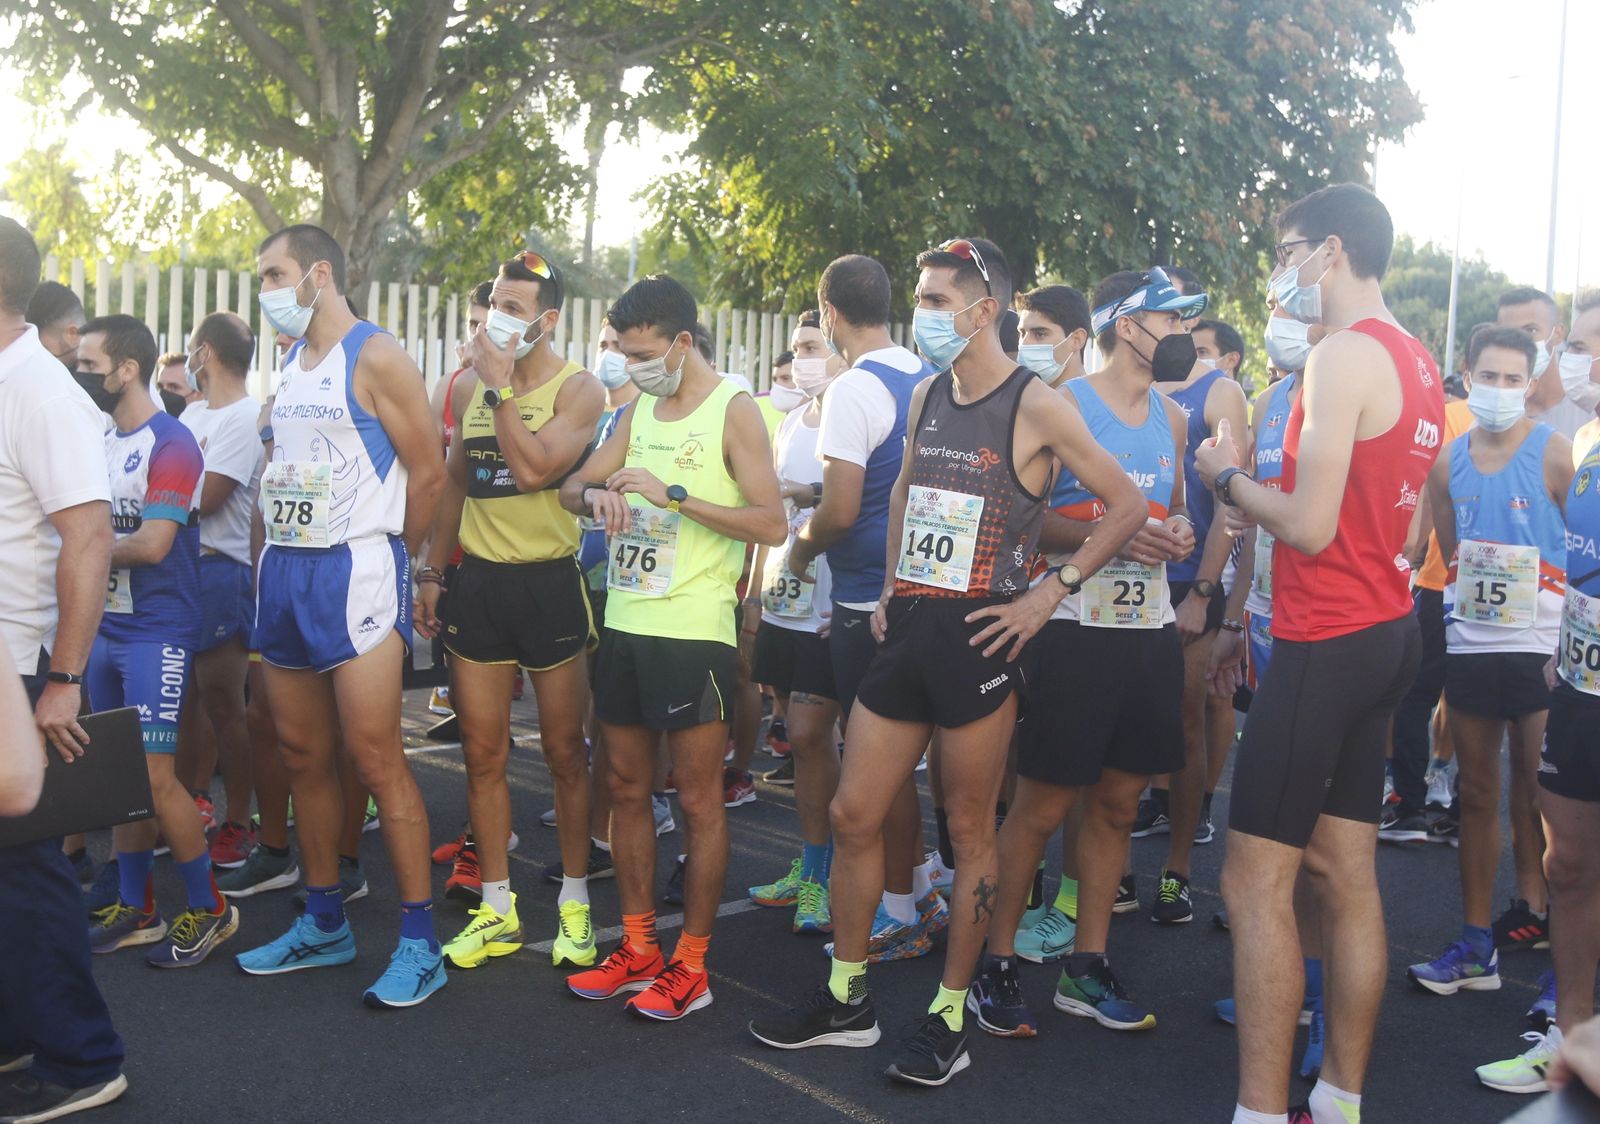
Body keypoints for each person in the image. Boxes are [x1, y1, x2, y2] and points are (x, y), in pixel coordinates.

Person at [749, 236, 1145, 1087]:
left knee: (968, 831)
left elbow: (1126, 504)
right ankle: (848, 999)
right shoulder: (928, 390)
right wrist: (893, 580)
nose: (923, 315)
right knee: (856, 815)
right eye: (921, 299)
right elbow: (901, 493)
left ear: (983, 311)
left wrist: (1048, 593)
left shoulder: (1035, 404)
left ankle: (947, 1015)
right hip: (911, 629)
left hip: (981, 639)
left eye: (936, 302)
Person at [1195, 183, 1444, 1124]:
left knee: (1254, 881)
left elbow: (1304, 524)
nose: (1279, 274)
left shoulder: (1344, 355)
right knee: (1344, 875)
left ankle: (1262, 1113)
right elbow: (1411, 524)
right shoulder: (1416, 357)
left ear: (1330, 251)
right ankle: (1337, 1101)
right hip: (1384, 630)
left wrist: (1225, 474)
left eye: (1287, 251)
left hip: (1329, 638)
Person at [971, 266, 1196, 1040]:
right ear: (1127, 325)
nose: (1186, 335)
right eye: (1172, 319)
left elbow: (1173, 515)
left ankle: (1086, 963)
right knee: (1042, 805)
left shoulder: (1170, 418)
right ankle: (994, 959)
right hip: (1072, 628)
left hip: (1147, 629)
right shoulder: (1067, 405)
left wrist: (1177, 535)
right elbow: (1026, 520)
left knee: (1118, 804)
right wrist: (1117, 536)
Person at [557, 274, 785, 1021]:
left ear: (683, 342)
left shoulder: (735, 408)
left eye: (645, 352)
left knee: (695, 799)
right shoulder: (640, 408)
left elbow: (771, 523)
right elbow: (568, 488)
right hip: (627, 621)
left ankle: (692, 964)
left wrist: (673, 495)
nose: (632, 364)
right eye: (624, 352)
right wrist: (598, 495)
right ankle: (637, 947)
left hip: (694, 633)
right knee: (624, 788)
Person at [233, 224, 448, 1009]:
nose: (268, 292)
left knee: (374, 754)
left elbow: (429, 471)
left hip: (356, 569)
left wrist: (409, 558)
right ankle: (324, 921)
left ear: (319, 273)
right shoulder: (289, 363)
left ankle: (421, 944)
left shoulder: (377, 354)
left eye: (276, 274)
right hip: (285, 573)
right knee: (300, 753)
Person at [415, 251, 604, 971]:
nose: (500, 316)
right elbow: (457, 482)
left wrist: (496, 392)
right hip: (481, 587)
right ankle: (496, 906)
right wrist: (433, 570)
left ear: (547, 320)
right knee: (483, 752)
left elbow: (532, 469)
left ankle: (577, 905)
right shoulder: (467, 384)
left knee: (562, 753)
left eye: (516, 307)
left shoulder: (578, 389)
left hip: (550, 585)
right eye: (496, 301)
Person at [0, 216, 128, 1123]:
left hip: (20, 661)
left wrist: (64, 679)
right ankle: (22, 1032)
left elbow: (89, 537)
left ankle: (83, 1059)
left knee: (29, 862)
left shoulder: (41, 390)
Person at [787, 253, 944, 964]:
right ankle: (914, 889)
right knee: (900, 760)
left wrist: (799, 551)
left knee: (876, 766)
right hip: (914, 589)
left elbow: (841, 511)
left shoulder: (853, 390)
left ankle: (901, 906)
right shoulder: (923, 372)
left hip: (865, 598)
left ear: (829, 314)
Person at [1407, 326, 1571, 1000]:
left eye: (1513, 379)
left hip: (1543, 653)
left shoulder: (1555, 453)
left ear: (1530, 385)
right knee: (1477, 794)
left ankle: (1565, 952)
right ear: (1466, 376)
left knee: (1546, 799)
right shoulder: (1447, 462)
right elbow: (1450, 546)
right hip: (1475, 644)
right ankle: (1477, 943)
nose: (1500, 390)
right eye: (1489, 378)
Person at [76, 313, 241, 969]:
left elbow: (152, 543)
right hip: (106, 628)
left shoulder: (172, 443)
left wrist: (81, 553)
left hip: (158, 632)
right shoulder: (98, 438)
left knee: (154, 776)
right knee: (120, 778)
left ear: (127, 369)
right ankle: (137, 905)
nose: (81, 375)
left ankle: (210, 909)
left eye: (90, 365)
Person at [1475, 289, 1600, 1095]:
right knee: (1569, 867)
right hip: (1584, 686)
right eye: (1581, 346)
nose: (1582, 362)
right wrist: (1563, 649)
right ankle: (1571, 1041)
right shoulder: (1584, 439)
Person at [1207, 303, 1330, 1081]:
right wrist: (1229, 613)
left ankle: (1317, 1006)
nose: (1282, 314)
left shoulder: (1349, 382)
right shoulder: (1272, 397)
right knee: (1273, 834)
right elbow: (1254, 520)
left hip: (1329, 638)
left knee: (1319, 845)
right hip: (1264, 625)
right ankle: (1282, 990)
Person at [1136, 290, 1248, 925]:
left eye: (1183, 316)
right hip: (1115, 575)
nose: (1176, 326)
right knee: (1117, 726)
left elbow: (1232, 506)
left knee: (1185, 720)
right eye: (1167, 315)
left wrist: (1207, 593)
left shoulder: (1217, 392)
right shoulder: (1110, 389)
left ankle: (1178, 867)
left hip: (1186, 585)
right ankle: (1117, 874)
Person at [747, 310, 845, 933]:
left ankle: (831, 874)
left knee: (813, 734)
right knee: (796, 734)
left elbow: (854, 508)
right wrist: (757, 592)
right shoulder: (789, 422)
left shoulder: (851, 414)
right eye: (796, 348)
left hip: (834, 605)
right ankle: (811, 865)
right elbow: (770, 516)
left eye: (812, 346)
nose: (800, 358)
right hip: (784, 597)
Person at [177, 313, 265, 870]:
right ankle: (186, 808)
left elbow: (203, 499)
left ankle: (240, 821)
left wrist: (152, 499)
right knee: (184, 703)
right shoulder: (190, 413)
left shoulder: (243, 417)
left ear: (205, 352)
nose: (187, 357)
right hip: (182, 570)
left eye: (190, 348)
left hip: (222, 571)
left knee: (225, 706)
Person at [422, 279, 492, 723]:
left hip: (495, 556)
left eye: (487, 326)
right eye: (472, 324)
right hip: (451, 553)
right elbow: (432, 473)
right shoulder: (449, 387)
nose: (477, 335)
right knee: (450, 661)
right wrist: (428, 559)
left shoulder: (526, 389)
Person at [1498, 287, 1589, 440]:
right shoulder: (1491, 415)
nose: (1519, 341)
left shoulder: (1590, 412)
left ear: (1558, 333)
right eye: (1508, 333)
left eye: (1531, 330)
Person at [1015, 284, 1091, 389]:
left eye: (1039, 334)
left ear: (1077, 339)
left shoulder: (1102, 403)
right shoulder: (1016, 402)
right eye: (1022, 334)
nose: (1024, 344)